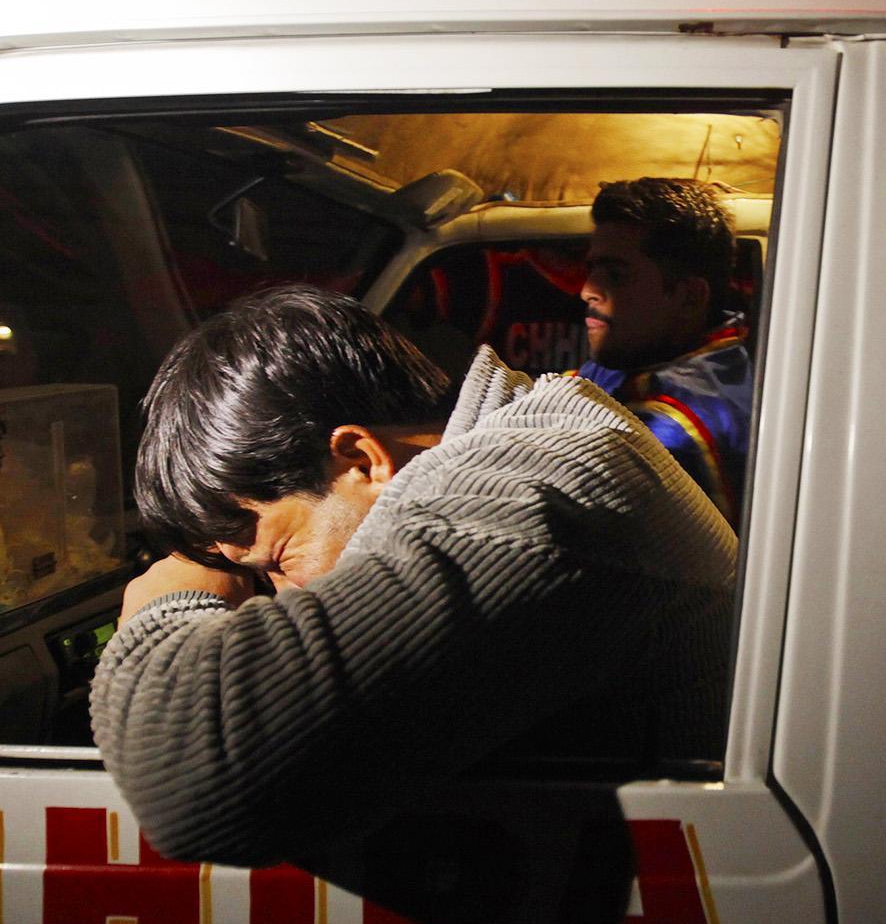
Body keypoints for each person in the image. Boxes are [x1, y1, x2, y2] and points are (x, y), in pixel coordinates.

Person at [90, 285, 737, 866]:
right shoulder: (536, 444)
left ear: (362, 460)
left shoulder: (522, 493)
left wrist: (168, 606)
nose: (276, 600)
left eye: (279, 562)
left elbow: (198, 781)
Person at [573, 178, 754, 526]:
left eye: (615, 274)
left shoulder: (674, 427)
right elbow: (571, 388)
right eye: (591, 269)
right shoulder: (648, 351)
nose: (587, 291)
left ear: (689, 297)